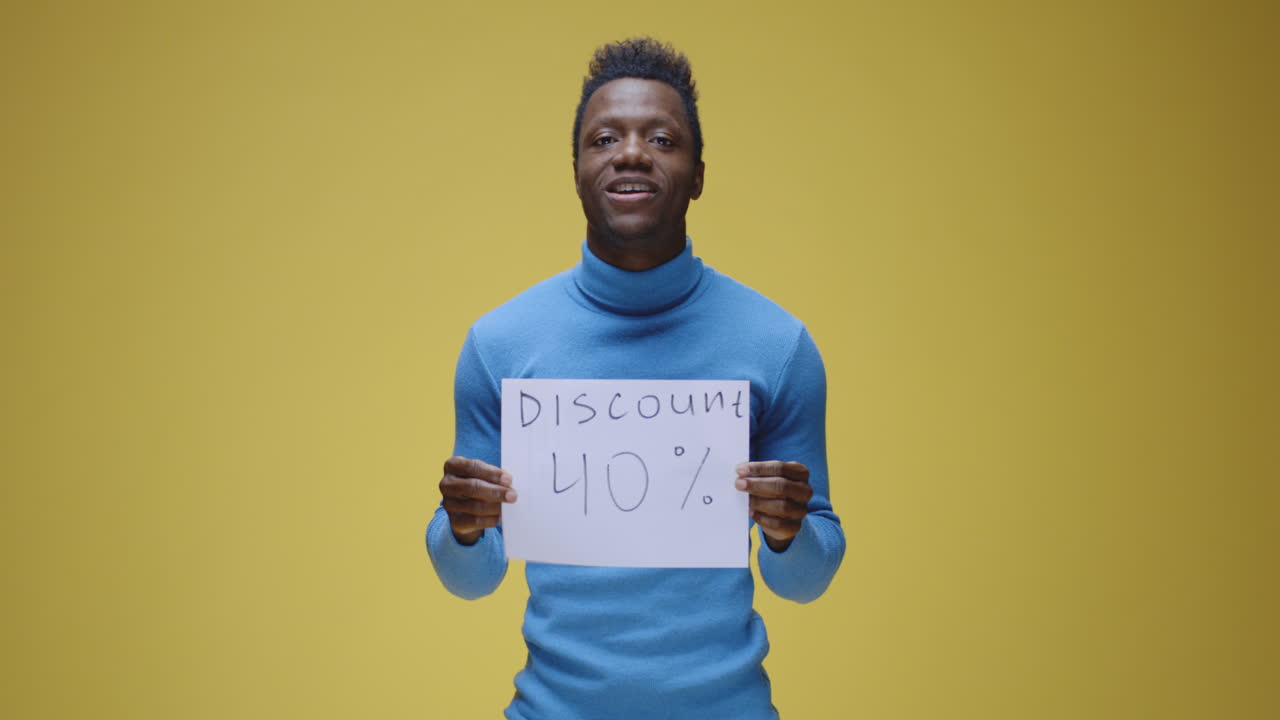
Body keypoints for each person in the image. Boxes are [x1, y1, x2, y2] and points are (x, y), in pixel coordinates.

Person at [426, 37, 845, 719]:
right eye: (604, 139)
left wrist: (788, 531)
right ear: (576, 170)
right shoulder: (500, 344)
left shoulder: (778, 346)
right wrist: (463, 529)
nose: (630, 153)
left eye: (661, 138)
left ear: (698, 174)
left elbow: (807, 579)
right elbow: (468, 579)